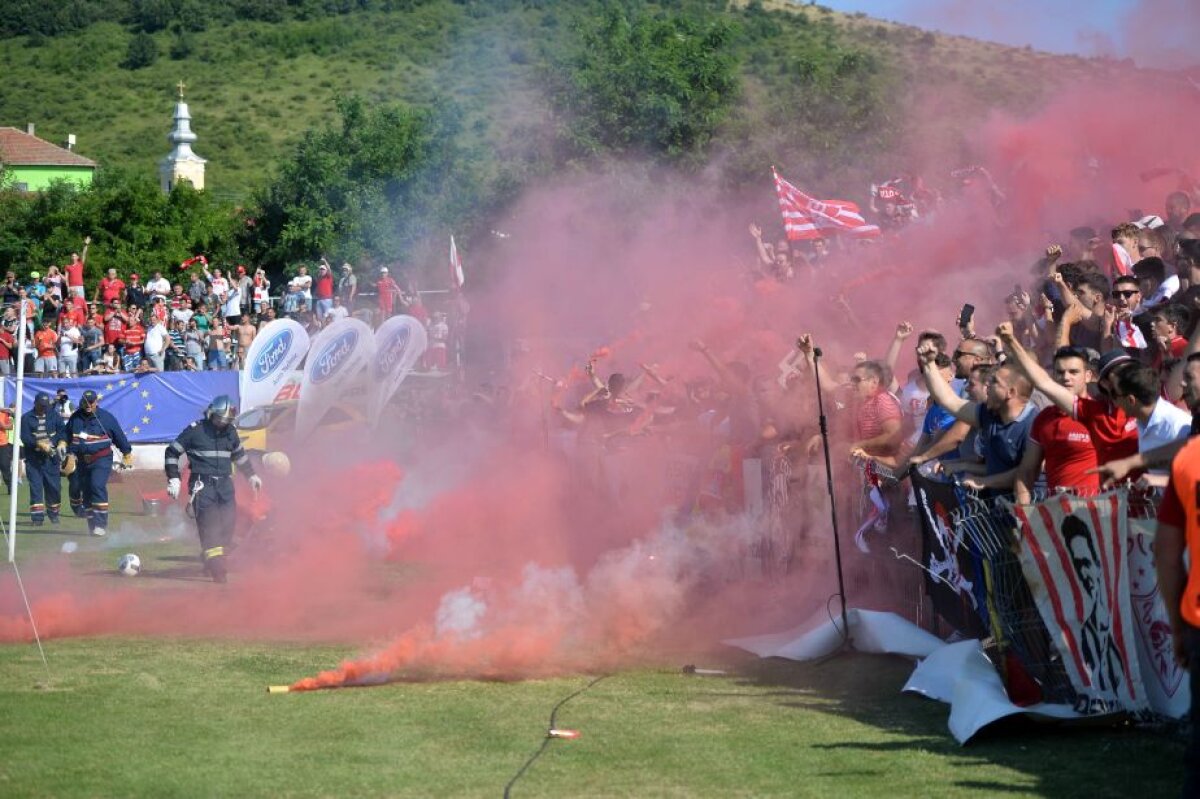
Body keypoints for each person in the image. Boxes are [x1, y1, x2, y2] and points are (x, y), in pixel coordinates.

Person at [164, 396, 262, 583]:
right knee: (210, 528)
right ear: (211, 414)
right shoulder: (195, 431)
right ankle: (219, 572)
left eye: (226, 421)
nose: (222, 424)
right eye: (219, 419)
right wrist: (174, 478)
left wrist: (251, 475)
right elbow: (172, 452)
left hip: (225, 486)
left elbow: (239, 455)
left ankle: (211, 559)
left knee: (228, 527)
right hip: (203, 486)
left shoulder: (230, 432)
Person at [64, 389, 133, 536]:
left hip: (101, 459)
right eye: (85, 402)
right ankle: (92, 525)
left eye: (91, 402)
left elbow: (119, 436)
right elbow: (66, 436)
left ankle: (101, 524)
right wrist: (65, 448)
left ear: (96, 401)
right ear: (81, 402)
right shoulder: (75, 418)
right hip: (81, 461)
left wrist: (126, 453)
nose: (88, 405)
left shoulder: (106, 418)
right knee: (86, 491)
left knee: (97, 486)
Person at [20, 393, 64, 525]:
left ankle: (53, 514)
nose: (44, 408)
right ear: (35, 403)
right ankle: (37, 519)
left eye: (45, 405)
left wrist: (53, 442)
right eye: (41, 405)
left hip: (51, 459)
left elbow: (62, 432)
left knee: (54, 488)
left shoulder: (54, 415)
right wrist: (38, 444)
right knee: (36, 488)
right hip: (33, 459)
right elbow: (25, 437)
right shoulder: (26, 418)